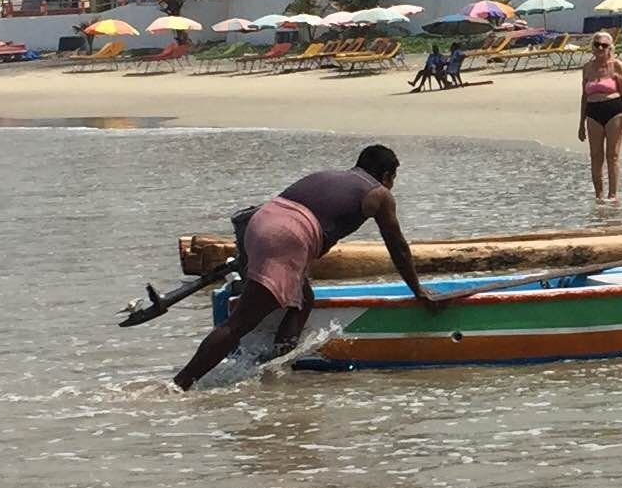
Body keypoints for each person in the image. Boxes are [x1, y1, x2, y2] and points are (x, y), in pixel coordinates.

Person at [173, 145, 437, 389]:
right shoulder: (379, 194)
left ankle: (275, 367)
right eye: (394, 179)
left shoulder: (329, 176)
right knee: (239, 322)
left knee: (302, 299)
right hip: (286, 236)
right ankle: (179, 385)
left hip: (258, 223)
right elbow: (398, 247)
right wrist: (417, 290)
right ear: (387, 175)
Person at [578, 31, 622, 201]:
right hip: (593, 112)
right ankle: (599, 196)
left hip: (615, 110)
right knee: (595, 155)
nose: (600, 48)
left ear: (610, 48)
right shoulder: (587, 68)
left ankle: (613, 195)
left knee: (612, 155)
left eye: (604, 45)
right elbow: (584, 96)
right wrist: (581, 123)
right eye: (597, 45)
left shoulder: (616, 66)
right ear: (592, 47)